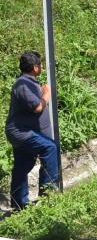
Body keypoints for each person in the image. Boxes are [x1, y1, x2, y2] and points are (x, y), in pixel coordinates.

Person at [5, 51, 59, 211]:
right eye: (40, 65)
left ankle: (18, 204)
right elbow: (37, 107)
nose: (41, 67)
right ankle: (48, 194)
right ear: (35, 68)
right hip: (21, 132)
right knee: (50, 148)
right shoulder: (23, 85)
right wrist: (47, 93)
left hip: (26, 131)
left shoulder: (29, 83)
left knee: (23, 165)